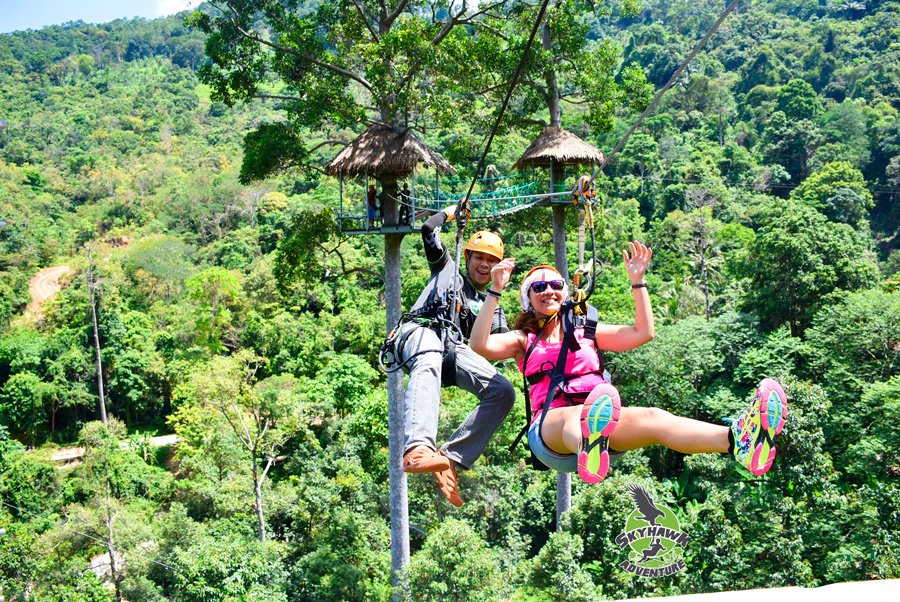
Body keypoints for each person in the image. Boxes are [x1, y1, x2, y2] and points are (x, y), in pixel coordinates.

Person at [469, 243, 787, 483]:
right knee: (573, 416)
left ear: (565, 295)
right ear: (528, 300)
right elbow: (480, 345)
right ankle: (588, 445)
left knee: (654, 417)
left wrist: (638, 282)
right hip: (550, 432)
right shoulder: (523, 340)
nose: (549, 290)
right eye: (539, 287)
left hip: (603, 425)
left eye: (555, 285)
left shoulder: (586, 331)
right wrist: (495, 290)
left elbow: (642, 333)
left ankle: (739, 442)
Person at [394, 205, 516, 506]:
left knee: (503, 391)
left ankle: (450, 457)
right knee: (430, 352)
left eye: (492, 261)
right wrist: (450, 213)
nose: (485, 265)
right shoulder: (447, 269)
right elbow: (428, 231)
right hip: (420, 333)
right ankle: (418, 449)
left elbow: (502, 344)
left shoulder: (492, 305)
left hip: (453, 350)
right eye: (480, 258)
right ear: (468, 258)